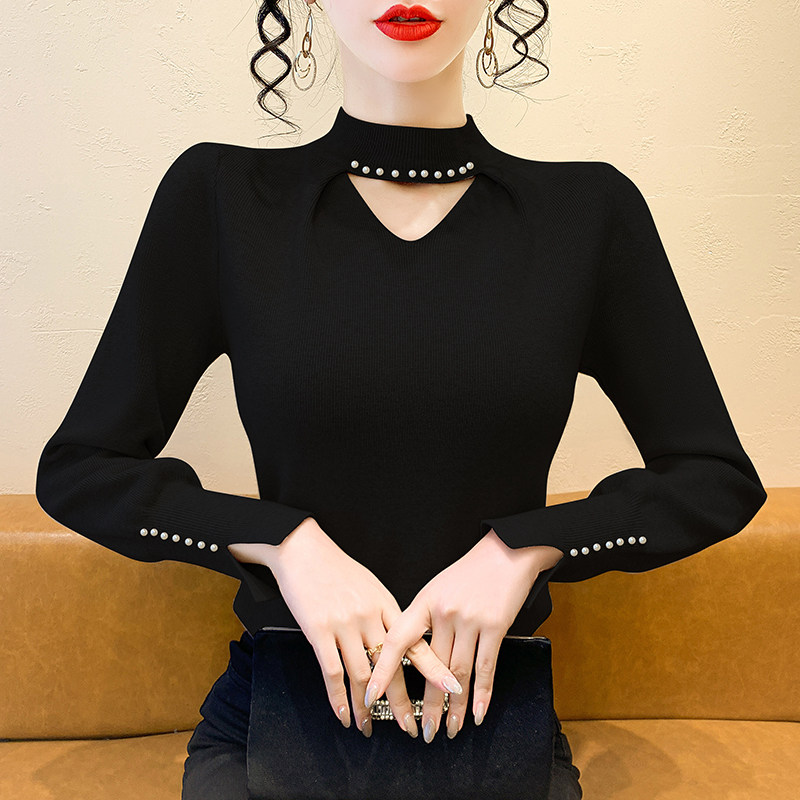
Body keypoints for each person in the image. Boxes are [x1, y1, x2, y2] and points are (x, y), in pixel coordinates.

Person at [34, 0, 768, 798]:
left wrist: (524, 548)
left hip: (492, 727)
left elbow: (714, 478)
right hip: (278, 722)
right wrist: (283, 541)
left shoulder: (587, 214)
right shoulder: (222, 198)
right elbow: (82, 469)